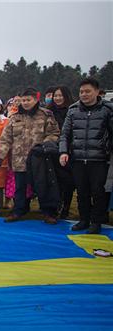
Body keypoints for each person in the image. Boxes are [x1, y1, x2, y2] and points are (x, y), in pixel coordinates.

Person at [0, 87, 60, 224]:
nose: (25, 103)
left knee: (43, 186)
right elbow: (5, 138)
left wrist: (44, 146)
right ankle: (19, 210)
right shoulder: (15, 117)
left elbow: (54, 133)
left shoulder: (46, 114)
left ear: (36, 100)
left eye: (28, 100)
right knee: (20, 188)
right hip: (19, 160)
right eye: (23, 100)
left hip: (39, 160)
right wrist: (0, 155)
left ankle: (48, 212)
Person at [60, 78, 113, 234]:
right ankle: (84, 219)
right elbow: (65, 134)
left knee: (98, 191)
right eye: (81, 92)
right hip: (77, 158)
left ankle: (96, 221)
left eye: (88, 91)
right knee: (82, 191)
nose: (84, 94)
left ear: (97, 92)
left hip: (99, 159)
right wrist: (63, 151)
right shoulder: (73, 110)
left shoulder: (108, 110)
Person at [49, 85, 75, 219]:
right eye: (55, 96)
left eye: (60, 96)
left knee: (68, 181)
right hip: (52, 150)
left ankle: (66, 207)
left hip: (69, 150)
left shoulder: (73, 110)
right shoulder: (49, 112)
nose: (58, 98)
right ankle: (56, 206)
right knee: (55, 180)